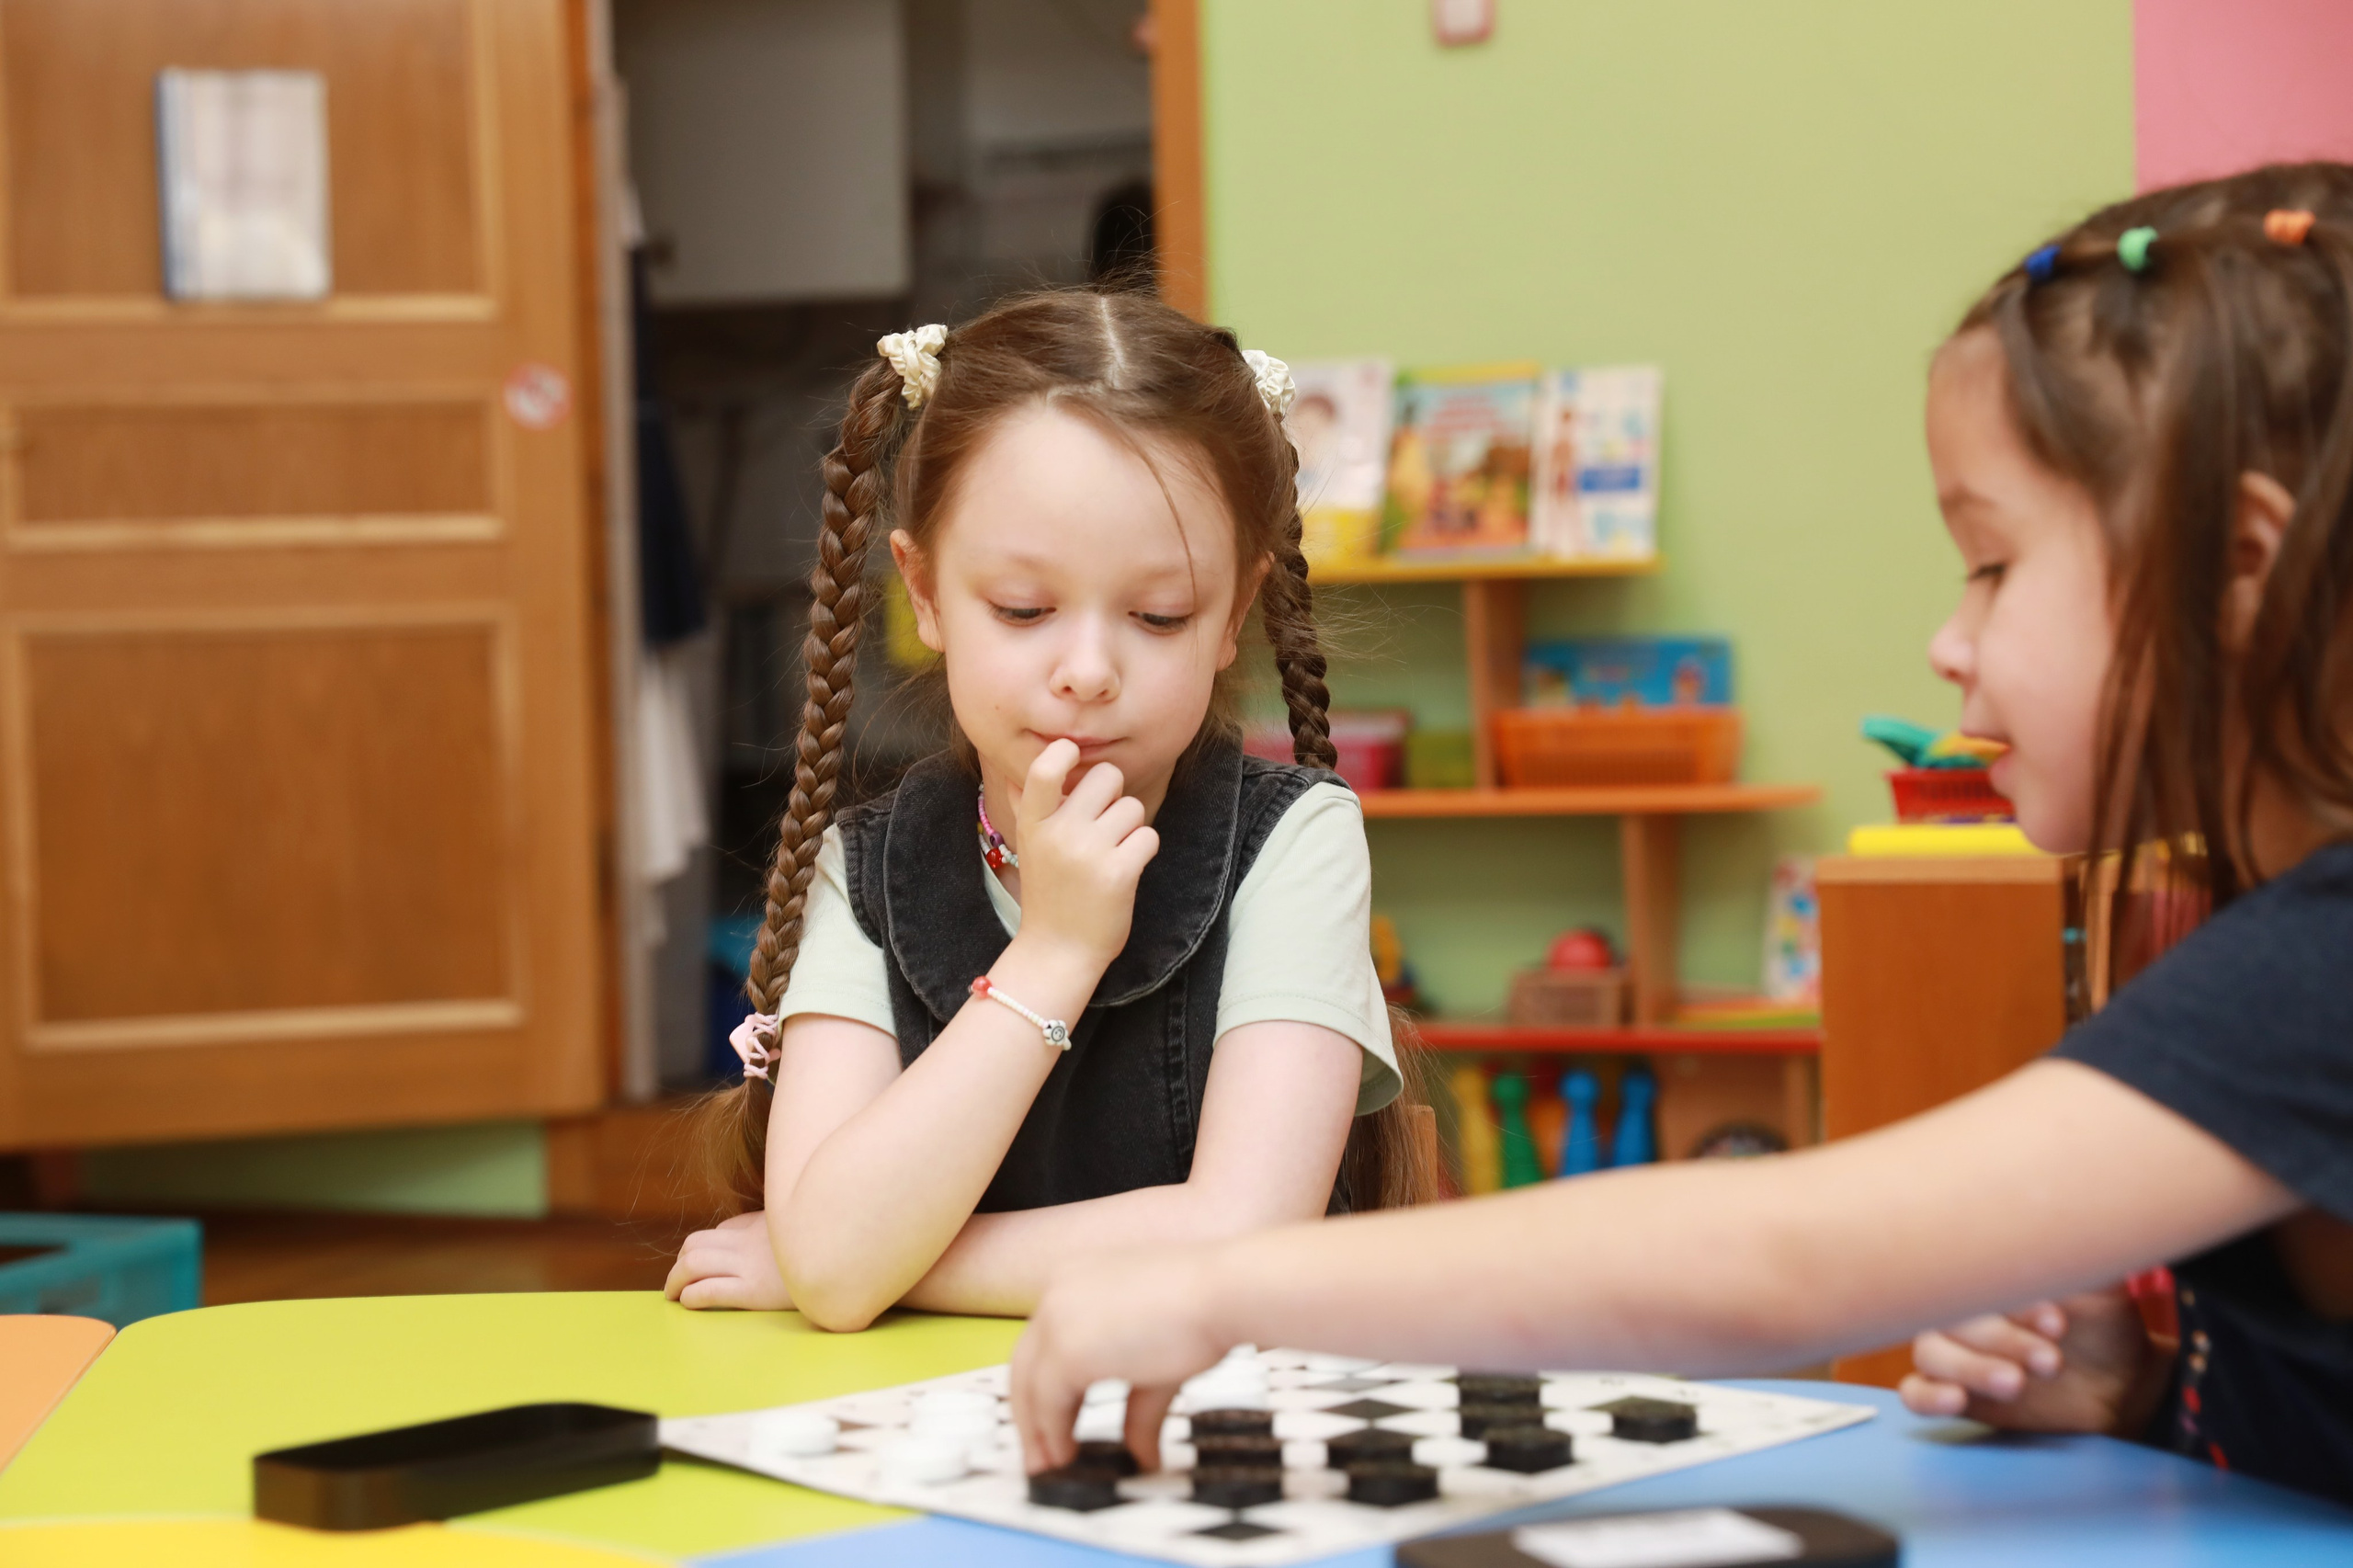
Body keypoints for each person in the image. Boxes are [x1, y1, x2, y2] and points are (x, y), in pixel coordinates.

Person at [1007, 165, 2353, 1506]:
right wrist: (2148, 1386)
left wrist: (1222, 1290)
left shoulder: (2321, 962)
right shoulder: (2263, 920)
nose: (1952, 642)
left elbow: (1785, 1258)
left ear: (2243, 564)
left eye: (1993, 566)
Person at [665, 290, 1433, 1335]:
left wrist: (884, 1262)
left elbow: (1245, 1239)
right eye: (1023, 609)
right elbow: (837, 1267)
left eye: (1159, 615)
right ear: (925, 592)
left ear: (1231, 615)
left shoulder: (1293, 843)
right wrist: (1054, 952)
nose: (1086, 671)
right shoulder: (866, 871)